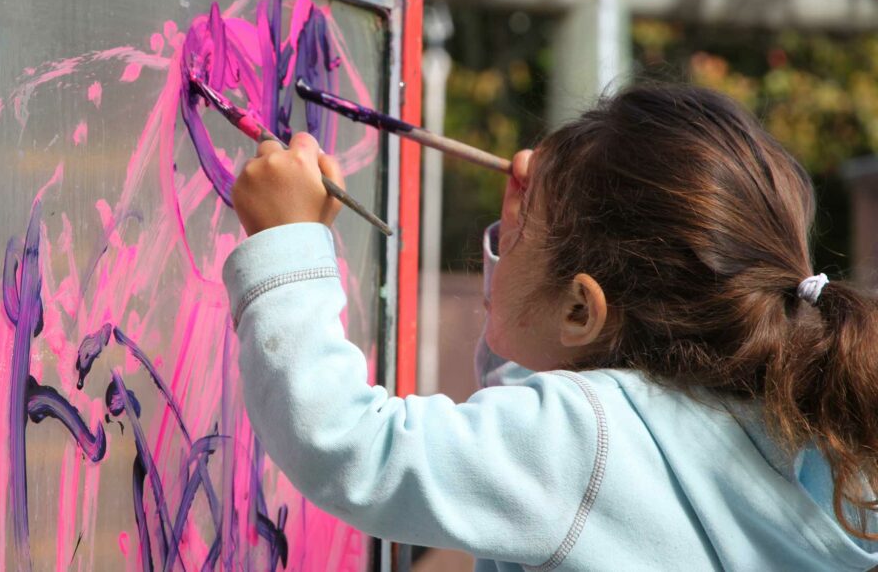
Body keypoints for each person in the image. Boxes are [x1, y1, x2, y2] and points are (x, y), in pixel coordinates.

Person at [221, 83, 878, 571]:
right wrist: (527, 229)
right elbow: (553, 405)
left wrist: (289, 245)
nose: (508, 233)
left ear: (580, 311)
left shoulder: (585, 444)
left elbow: (349, 445)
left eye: (522, 228)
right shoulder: (795, 430)